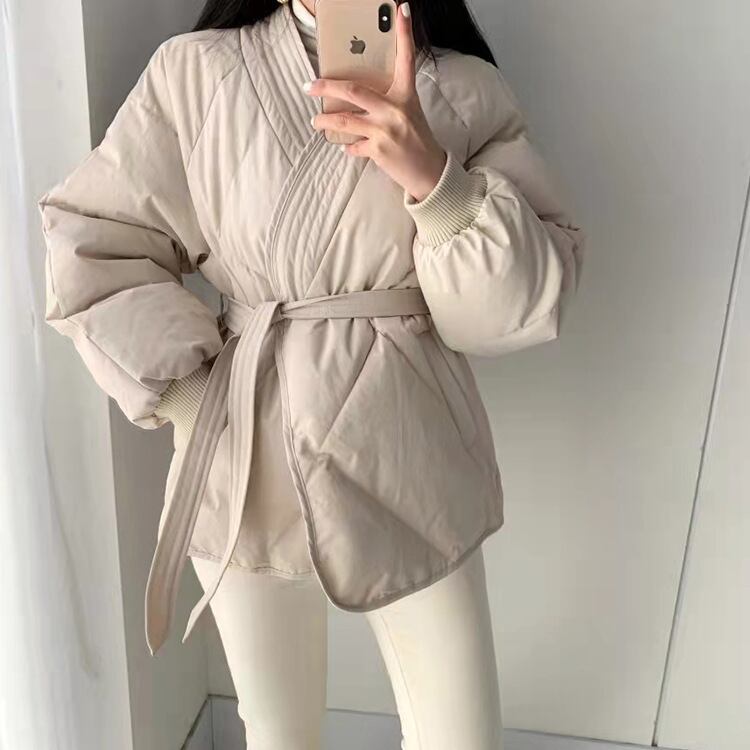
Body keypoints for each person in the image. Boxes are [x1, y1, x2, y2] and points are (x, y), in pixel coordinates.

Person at [38, 0, 584, 747]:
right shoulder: (196, 72)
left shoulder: (464, 89)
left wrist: (435, 183)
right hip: (242, 459)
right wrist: (192, 400)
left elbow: (509, 310)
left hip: (411, 453)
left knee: (461, 735)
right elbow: (92, 240)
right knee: (278, 735)